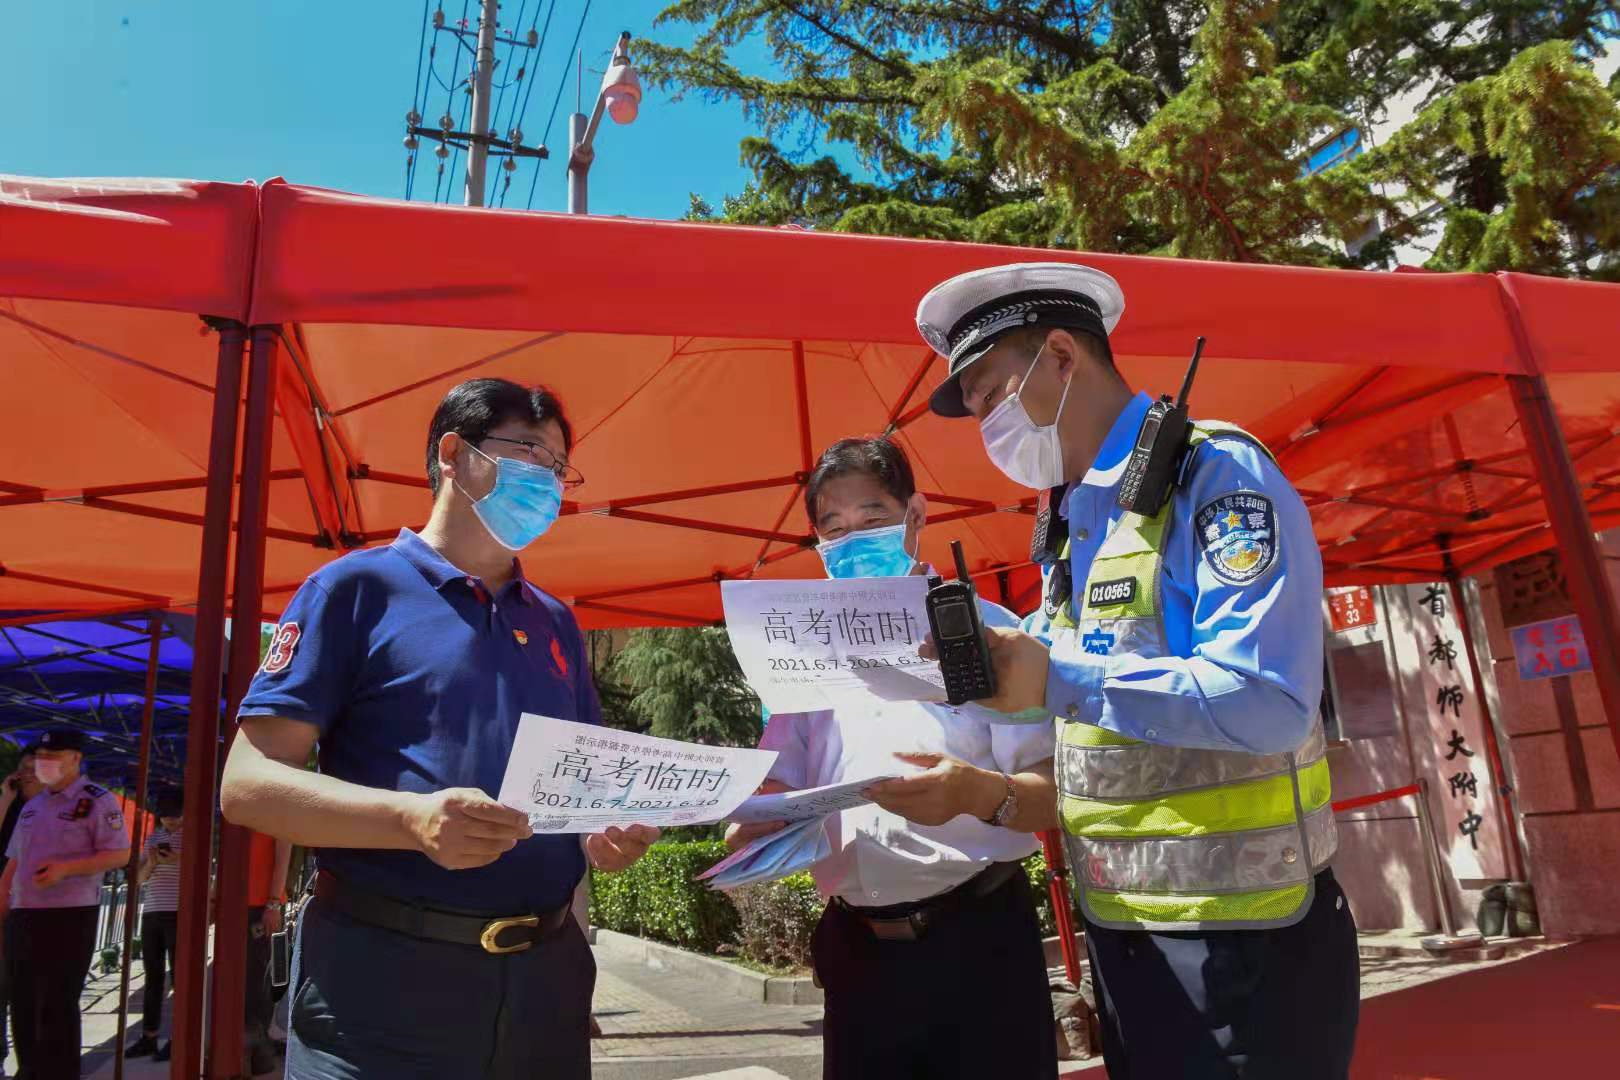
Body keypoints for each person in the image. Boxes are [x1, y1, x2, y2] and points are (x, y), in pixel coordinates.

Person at [915, 262, 1360, 1078]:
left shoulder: (1214, 474)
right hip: (1126, 934)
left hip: (1247, 943)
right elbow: (1068, 681)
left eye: (990, 397)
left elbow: (1270, 700)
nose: (985, 427)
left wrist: (1054, 678)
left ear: (1059, 355)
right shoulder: (1069, 515)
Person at [219, 378, 657, 1080]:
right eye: (529, 456)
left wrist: (604, 835)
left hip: (545, 986)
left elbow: (581, 792)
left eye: (558, 468)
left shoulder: (555, 623)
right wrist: (410, 820)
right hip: (382, 986)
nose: (546, 483)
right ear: (453, 453)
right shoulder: (353, 591)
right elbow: (246, 786)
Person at [727, 435, 1060, 1080]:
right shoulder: (799, 653)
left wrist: (974, 793)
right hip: (856, 954)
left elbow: (1053, 795)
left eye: (872, 519)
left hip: (980, 938)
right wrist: (754, 825)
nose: (853, 540)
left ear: (916, 515)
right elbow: (779, 784)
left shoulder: (991, 631)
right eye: (834, 528)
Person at [0, 730, 132, 1080]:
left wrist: (66, 869)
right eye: (42, 755)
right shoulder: (33, 805)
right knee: (23, 1003)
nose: (44, 763)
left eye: (53, 755)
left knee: (56, 1005)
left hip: (70, 916)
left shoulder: (97, 800)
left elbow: (120, 853)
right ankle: (29, 1071)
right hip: (24, 915)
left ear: (75, 759)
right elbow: (13, 861)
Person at [125, 787, 184, 1062]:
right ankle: (149, 1036)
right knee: (153, 977)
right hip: (152, 911)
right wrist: (152, 861)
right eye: (165, 816)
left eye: (175, 815)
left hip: (178, 911)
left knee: (179, 978)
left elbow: (200, 869)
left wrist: (177, 858)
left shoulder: (192, 835)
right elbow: (138, 879)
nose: (170, 821)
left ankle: (177, 1038)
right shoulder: (154, 837)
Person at [0, 746, 43, 1072]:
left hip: (35, 908)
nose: (27, 773)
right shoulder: (12, 807)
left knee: (28, 991)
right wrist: (5, 795)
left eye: (34, 767)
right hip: (5, 904)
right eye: (23, 768)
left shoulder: (53, 808)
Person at [242, 830, 293, 1076]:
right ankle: (251, 1047)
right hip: (239, 902)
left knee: (257, 980)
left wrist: (272, 903)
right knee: (245, 979)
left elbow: (283, 857)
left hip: (261, 907)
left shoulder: (275, 815)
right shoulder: (243, 814)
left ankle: (259, 1052)